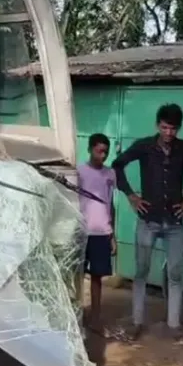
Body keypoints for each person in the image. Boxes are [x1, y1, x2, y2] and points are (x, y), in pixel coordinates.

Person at [111, 103, 183, 344]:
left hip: (175, 223)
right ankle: (136, 323)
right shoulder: (144, 146)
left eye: (173, 129)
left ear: (179, 128)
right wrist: (131, 196)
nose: (168, 133)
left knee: (175, 275)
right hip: (148, 221)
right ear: (157, 125)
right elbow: (117, 165)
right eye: (164, 128)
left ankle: (174, 326)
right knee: (141, 273)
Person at [78, 133, 117, 334]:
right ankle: (75, 317)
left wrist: (113, 235)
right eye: (99, 151)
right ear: (90, 149)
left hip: (102, 232)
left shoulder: (110, 174)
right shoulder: (79, 171)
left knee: (97, 277)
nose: (102, 155)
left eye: (106, 152)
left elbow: (111, 204)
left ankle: (95, 319)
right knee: (76, 276)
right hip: (82, 231)